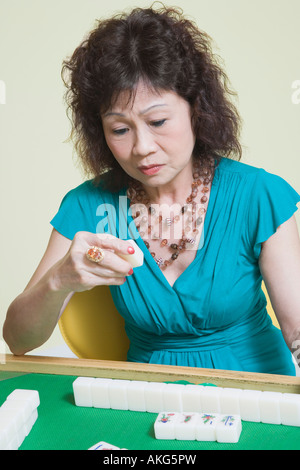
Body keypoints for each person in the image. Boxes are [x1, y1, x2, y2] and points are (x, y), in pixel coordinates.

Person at [3, 5, 300, 375]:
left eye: (158, 121)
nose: (142, 147)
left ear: (196, 109)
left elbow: (296, 327)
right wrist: (59, 280)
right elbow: (18, 340)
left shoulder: (260, 194)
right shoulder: (87, 205)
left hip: (257, 389)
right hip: (146, 398)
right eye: (120, 129)